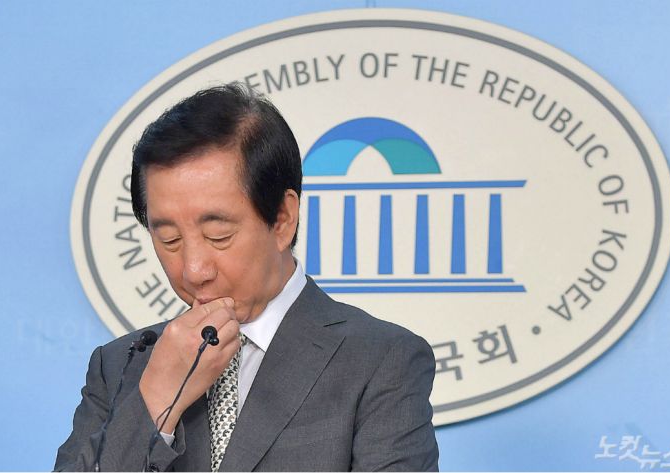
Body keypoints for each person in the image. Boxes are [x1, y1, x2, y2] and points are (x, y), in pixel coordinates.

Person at [55, 83, 439, 471]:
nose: (193, 270)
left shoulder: (380, 360)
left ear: (283, 219)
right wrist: (156, 399)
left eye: (218, 235)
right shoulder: (120, 366)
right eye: (169, 239)